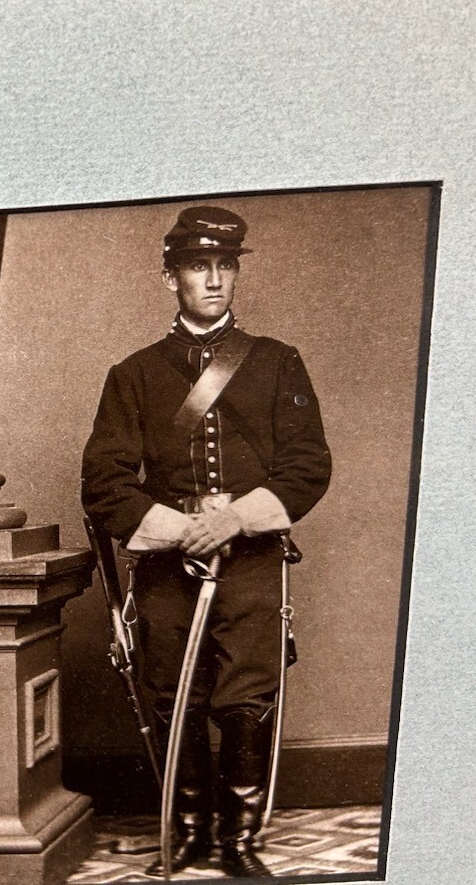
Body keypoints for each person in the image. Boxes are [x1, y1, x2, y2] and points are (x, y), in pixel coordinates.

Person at [80, 206, 331, 878]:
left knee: (248, 694)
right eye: (198, 267)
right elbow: (103, 482)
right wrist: (181, 528)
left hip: (251, 564)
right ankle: (189, 831)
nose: (214, 280)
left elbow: (307, 465)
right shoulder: (133, 375)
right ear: (172, 278)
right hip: (168, 568)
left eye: (224, 266)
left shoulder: (278, 363)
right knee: (173, 693)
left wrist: (238, 518)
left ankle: (240, 842)